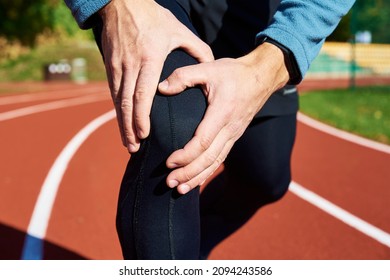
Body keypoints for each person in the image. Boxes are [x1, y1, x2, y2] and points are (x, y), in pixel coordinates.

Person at [64, 0, 355, 259]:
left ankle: (186, 247)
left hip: (251, 11)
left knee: (265, 178)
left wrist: (275, 59)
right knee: (175, 133)